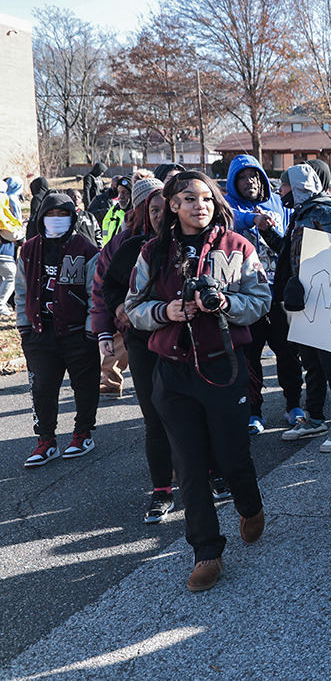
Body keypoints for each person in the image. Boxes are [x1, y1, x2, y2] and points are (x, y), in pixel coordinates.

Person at [124, 171, 271, 592]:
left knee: (231, 456)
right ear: (173, 205)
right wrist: (165, 313)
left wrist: (226, 304)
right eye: (188, 199)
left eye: (206, 198)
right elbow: (133, 306)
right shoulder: (153, 252)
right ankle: (206, 552)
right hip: (172, 372)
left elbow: (261, 300)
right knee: (189, 467)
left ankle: (250, 504)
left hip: (223, 367)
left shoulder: (237, 246)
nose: (199, 205)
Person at [99, 177, 176, 523]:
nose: (161, 215)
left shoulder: (189, 246)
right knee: (154, 417)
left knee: (194, 413)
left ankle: (211, 474)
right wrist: (117, 309)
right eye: (154, 209)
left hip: (182, 342)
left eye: (166, 208)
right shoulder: (131, 248)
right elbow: (109, 287)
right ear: (143, 212)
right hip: (142, 345)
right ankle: (161, 491)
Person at [18, 193, 102, 467]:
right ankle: (46, 440)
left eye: (62, 214)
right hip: (40, 332)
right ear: (41, 218)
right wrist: (24, 327)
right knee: (42, 388)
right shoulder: (28, 250)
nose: (56, 220)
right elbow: (22, 291)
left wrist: (92, 329)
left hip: (77, 331)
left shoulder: (87, 250)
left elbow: (95, 293)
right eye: (50, 215)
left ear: (73, 217)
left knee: (85, 385)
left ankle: (83, 433)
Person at [224, 153, 300, 434]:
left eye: (254, 175)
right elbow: (228, 219)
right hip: (246, 295)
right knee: (250, 355)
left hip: (279, 291)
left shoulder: (279, 203)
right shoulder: (229, 206)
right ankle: (254, 412)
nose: (249, 181)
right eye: (242, 177)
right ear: (234, 182)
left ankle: (294, 405)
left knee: (287, 351)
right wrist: (253, 219)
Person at [276, 164, 331, 442]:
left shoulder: (323, 210)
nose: (280, 192)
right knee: (312, 363)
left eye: (284, 186)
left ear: (297, 186)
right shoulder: (301, 213)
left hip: (324, 301)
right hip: (304, 301)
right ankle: (315, 417)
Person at [0, 177, 25, 316]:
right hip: (5, 248)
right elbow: (10, 229)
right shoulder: (8, 200)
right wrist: (21, 235)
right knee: (11, 274)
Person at [100, 175, 132, 245]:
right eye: (119, 192)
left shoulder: (137, 214)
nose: (120, 196)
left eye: (125, 193)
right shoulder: (113, 211)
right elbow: (105, 235)